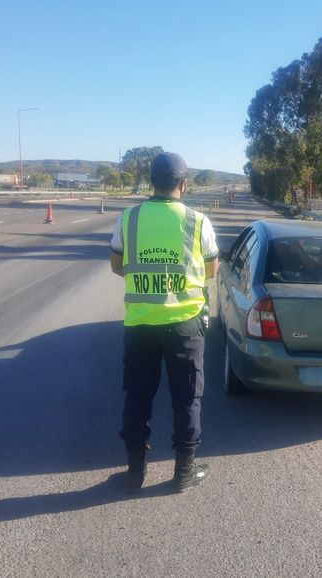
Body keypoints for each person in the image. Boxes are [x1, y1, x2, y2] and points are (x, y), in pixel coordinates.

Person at [109, 152, 219, 492]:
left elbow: (116, 265)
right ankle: (183, 472)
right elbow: (211, 270)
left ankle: (134, 473)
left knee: (137, 397)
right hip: (185, 324)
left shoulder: (129, 219)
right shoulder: (198, 221)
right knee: (186, 399)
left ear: (150, 181)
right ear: (184, 184)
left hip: (140, 325)